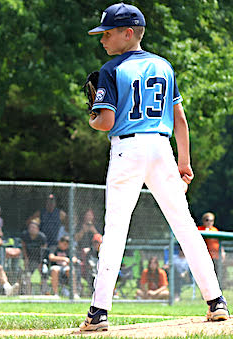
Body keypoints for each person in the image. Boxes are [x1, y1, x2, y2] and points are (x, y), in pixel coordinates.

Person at [81, 3, 228, 331]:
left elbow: (105, 122)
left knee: (116, 230)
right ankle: (216, 301)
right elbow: (179, 119)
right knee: (187, 228)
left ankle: (98, 313)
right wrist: (184, 161)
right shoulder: (164, 66)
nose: (103, 39)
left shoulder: (111, 70)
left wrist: (92, 116)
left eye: (108, 33)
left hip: (128, 149)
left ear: (128, 33)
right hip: (162, 148)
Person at [20, 218, 47, 294]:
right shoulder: (25, 235)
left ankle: (44, 292)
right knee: (27, 275)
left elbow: (44, 250)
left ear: (38, 229)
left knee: (44, 274)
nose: (31, 229)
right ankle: (27, 293)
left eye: (33, 227)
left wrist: (41, 262)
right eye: (30, 227)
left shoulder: (42, 237)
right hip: (29, 258)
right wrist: (26, 259)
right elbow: (23, 247)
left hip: (39, 258)